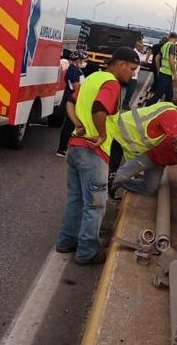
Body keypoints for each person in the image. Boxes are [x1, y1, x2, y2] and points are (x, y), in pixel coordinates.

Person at [55, 46, 140, 265]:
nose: (132, 74)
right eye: (131, 69)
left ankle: (66, 242)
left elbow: (70, 103)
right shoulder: (111, 83)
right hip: (93, 153)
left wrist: (77, 124)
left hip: (74, 146)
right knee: (95, 204)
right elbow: (99, 107)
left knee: (75, 199)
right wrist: (101, 134)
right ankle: (86, 252)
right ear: (120, 64)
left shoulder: (92, 78)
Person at [107, 95, 177, 198]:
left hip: (131, 140)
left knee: (148, 188)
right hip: (119, 134)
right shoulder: (172, 116)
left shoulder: (169, 107)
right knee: (116, 176)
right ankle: (95, 191)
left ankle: (111, 185)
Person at [56, 50, 88, 156]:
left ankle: (65, 147)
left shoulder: (76, 69)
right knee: (69, 125)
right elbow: (76, 87)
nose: (85, 62)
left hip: (72, 99)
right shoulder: (73, 70)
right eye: (83, 60)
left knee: (70, 125)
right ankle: (62, 149)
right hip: (71, 100)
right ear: (78, 60)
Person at [145, 34, 173, 104]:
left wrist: (146, 60)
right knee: (159, 84)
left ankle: (153, 93)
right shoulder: (165, 48)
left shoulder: (155, 46)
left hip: (153, 65)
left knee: (156, 79)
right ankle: (151, 100)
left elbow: (150, 53)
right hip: (161, 68)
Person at [121, 40, 145, 111]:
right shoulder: (134, 53)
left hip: (134, 74)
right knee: (130, 90)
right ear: (137, 46)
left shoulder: (137, 53)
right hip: (133, 75)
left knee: (130, 90)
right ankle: (125, 104)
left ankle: (125, 103)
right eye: (141, 47)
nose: (142, 48)